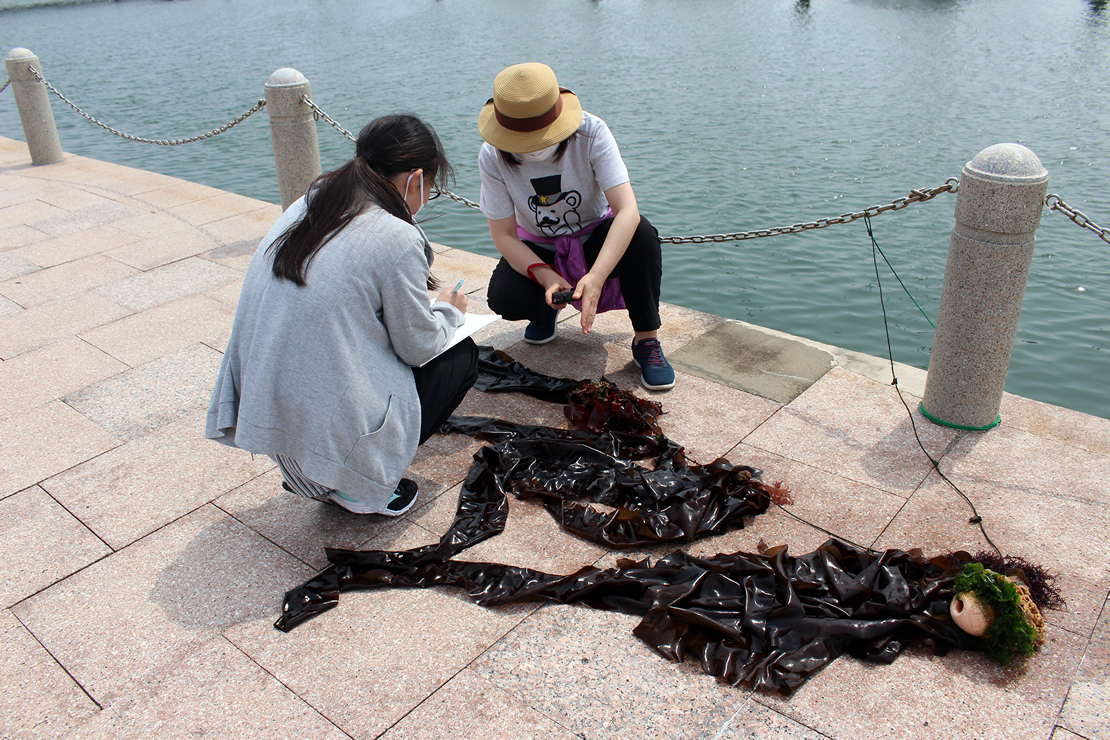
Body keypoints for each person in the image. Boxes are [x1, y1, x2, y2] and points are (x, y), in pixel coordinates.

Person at [206, 114, 478, 516]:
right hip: (321, 428)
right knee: (460, 356)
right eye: (431, 188)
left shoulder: (315, 198)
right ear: (416, 178)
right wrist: (449, 313)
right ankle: (361, 485)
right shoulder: (396, 235)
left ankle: (320, 469)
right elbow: (417, 346)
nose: (427, 196)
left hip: (268, 410)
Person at [477, 62, 675, 391]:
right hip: (539, 244)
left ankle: (646, 340)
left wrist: (596, 275)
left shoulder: (591, 131)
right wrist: (545, 275)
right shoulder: (492, 155)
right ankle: (544, 312)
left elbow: (627, 210)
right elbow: (504, 235)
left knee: (642, 236)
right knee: (504, 298)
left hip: (594, 233)